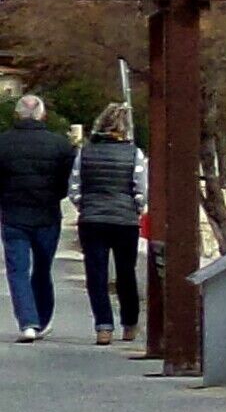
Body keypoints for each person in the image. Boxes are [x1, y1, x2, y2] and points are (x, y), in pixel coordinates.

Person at [0, 97, 75, 342]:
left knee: (17, 270)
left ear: (17, 115)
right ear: (42, 115)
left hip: (13, 214)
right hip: (47, 215)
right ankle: (42, 319)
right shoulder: (60, 145)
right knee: (43, 269)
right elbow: (66, 184)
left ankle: (28, 322)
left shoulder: (3, 143)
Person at [75, 105, 145, 347]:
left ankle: (103, 326)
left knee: (96, 274)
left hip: (92, 219)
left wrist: (84, 206)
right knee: (126, 272)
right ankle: (130, 323)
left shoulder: (85, 152)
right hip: (124, 221)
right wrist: (135, 208)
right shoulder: (134, 154)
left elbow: (74, 187)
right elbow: (140, 189)